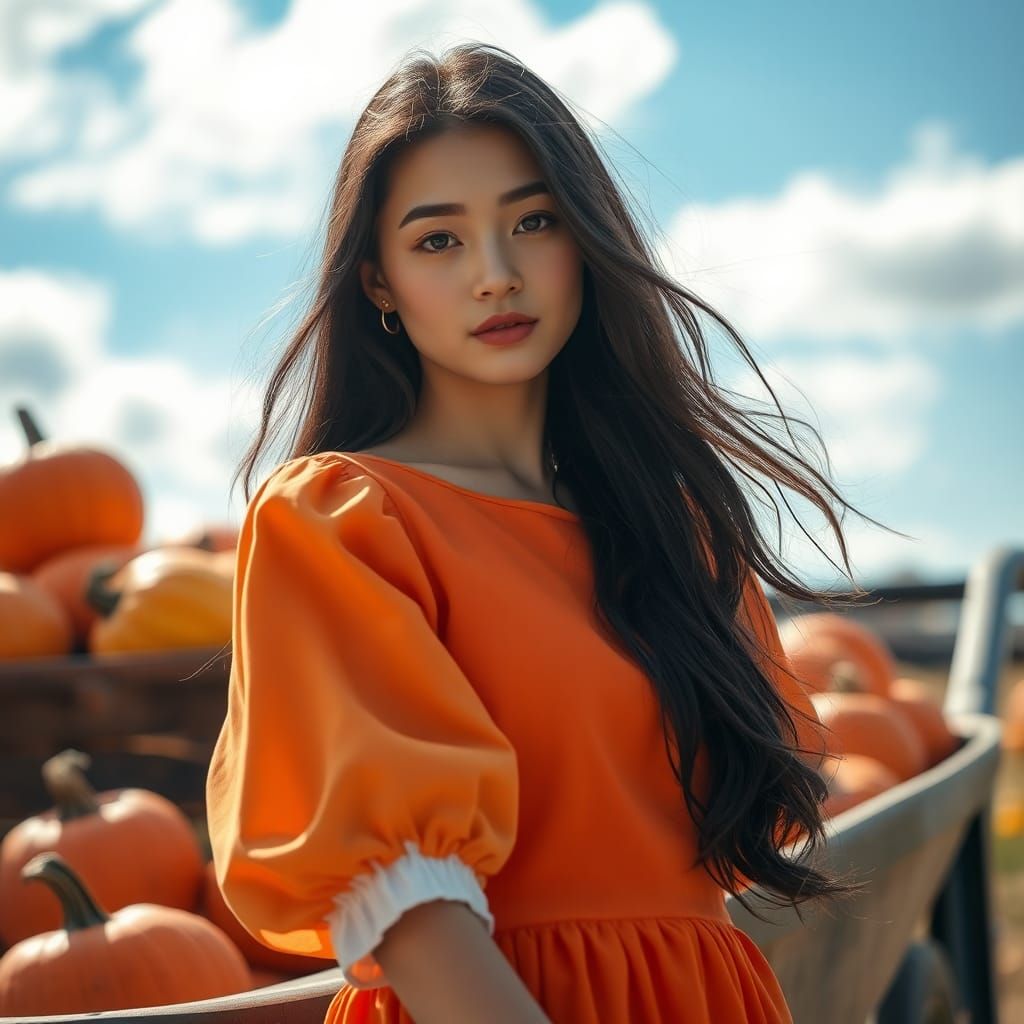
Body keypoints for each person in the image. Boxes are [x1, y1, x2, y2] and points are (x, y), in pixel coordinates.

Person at [205, 41, 896, 1024]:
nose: (496, 274)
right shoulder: (341, 517)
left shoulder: (678, 527)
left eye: (533, 222)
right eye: (438, 240)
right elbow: (407, 903)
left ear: (584, 241)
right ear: (378, 284)